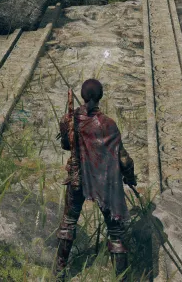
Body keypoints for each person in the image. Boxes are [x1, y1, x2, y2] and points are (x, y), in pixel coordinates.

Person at [54, 79, 137, 281]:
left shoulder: (69, 120)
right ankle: (122, 278)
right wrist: (129, 177)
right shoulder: (109, 124)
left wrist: (69, 127)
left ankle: (58, 272)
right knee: (115, 231)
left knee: (68, 224)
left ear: (83, 96)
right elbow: (123, 159)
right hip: (103, 182)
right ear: (100, 97)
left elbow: (66, 145)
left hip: (78, 179)